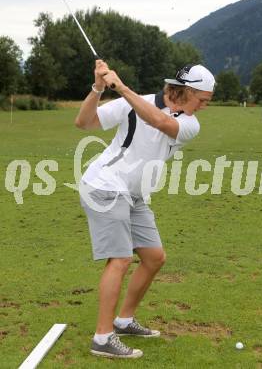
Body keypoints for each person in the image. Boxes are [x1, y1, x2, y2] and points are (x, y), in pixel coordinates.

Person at [76, 60, 215, 359]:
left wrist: (123, 88)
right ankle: (102, 337)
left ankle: (123, 321)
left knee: (154, 257)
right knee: (121, 259)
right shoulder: (130, 103)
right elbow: (84, 123)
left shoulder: (189, 123)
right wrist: (98, 88)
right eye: (202, 100)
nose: (205, 106)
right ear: (187, 92)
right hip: (105, 185)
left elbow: (160, 122)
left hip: (135, 195)